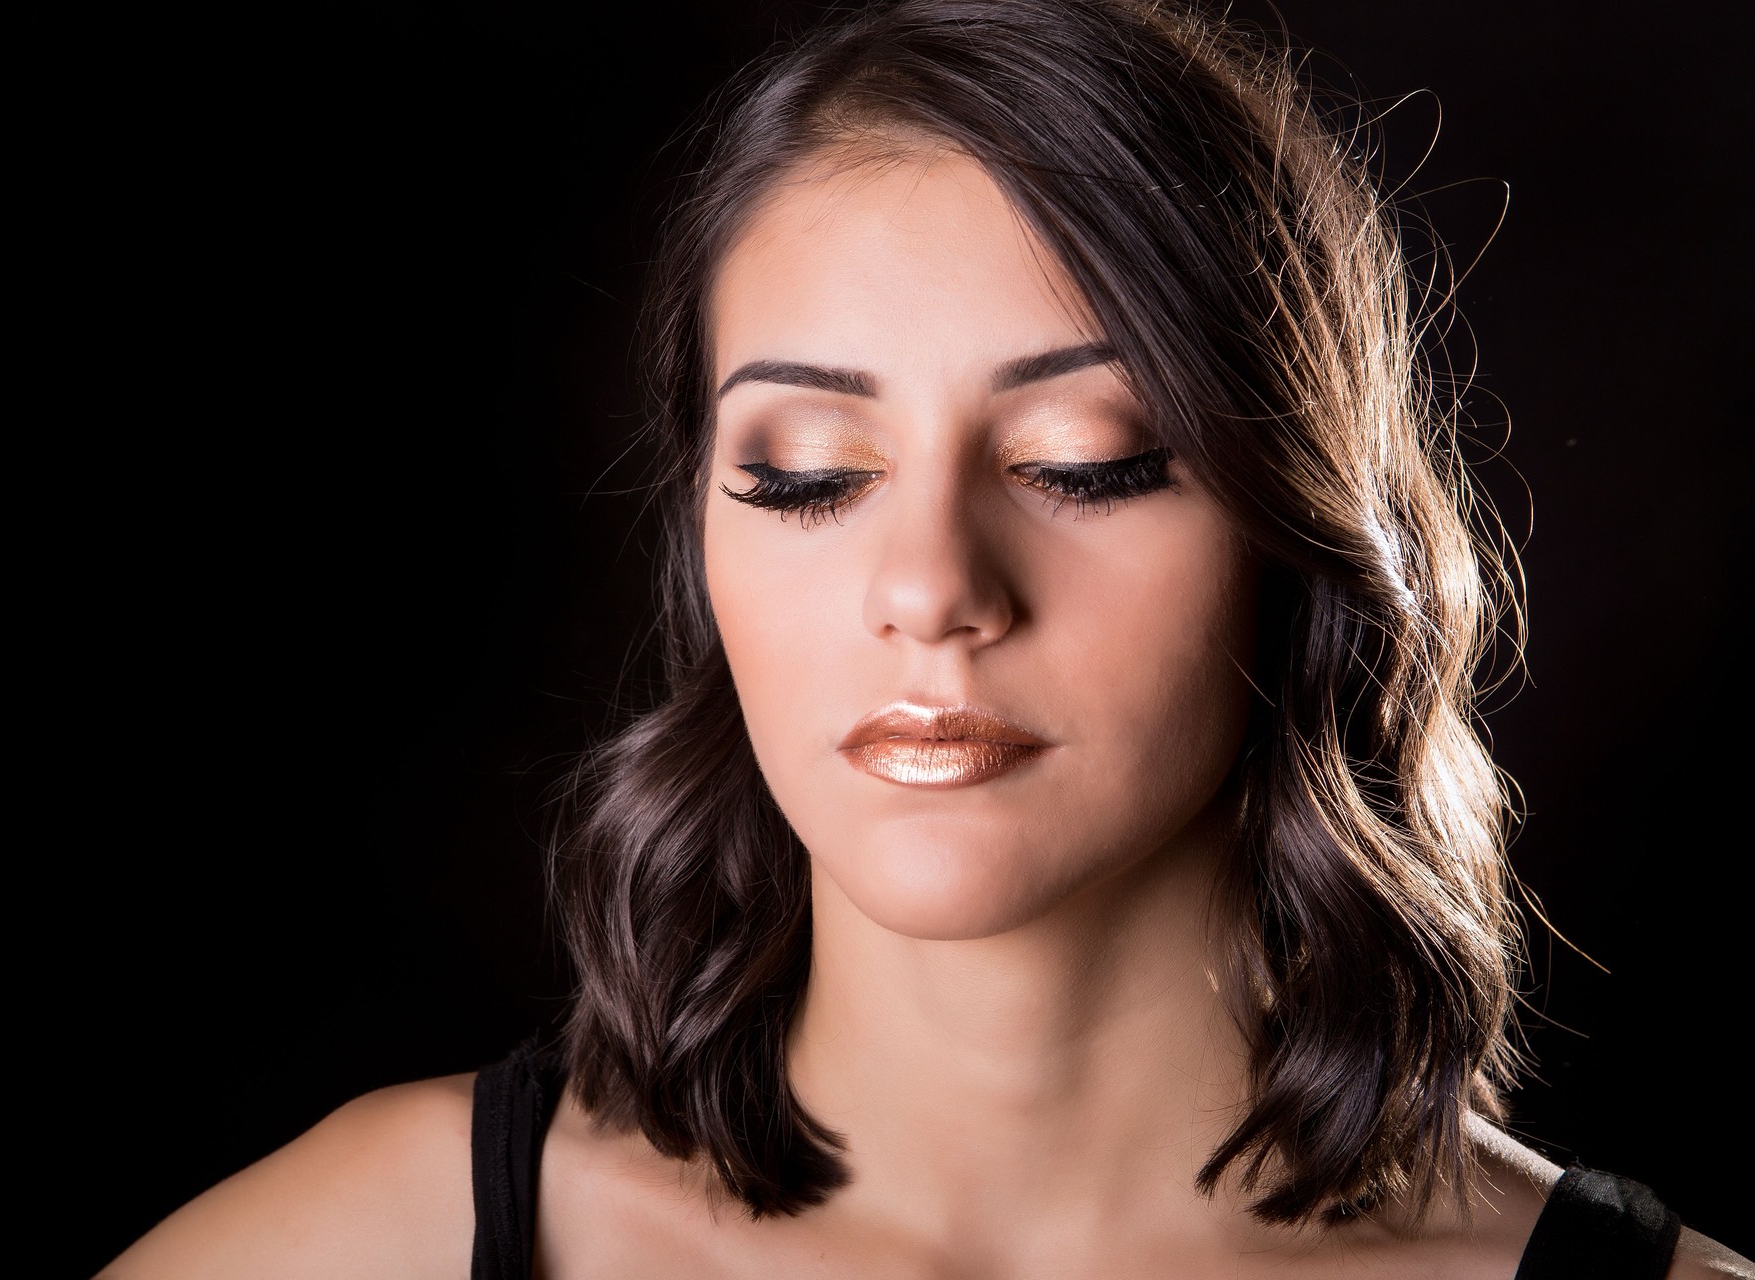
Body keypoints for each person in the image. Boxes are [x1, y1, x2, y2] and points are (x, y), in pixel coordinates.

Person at [101, 1, 1749, 1276]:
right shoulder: (381, 1240)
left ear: (1297, 529)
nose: (932, 586)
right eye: (808, 477)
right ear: (704, 532)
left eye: (1082, 463)